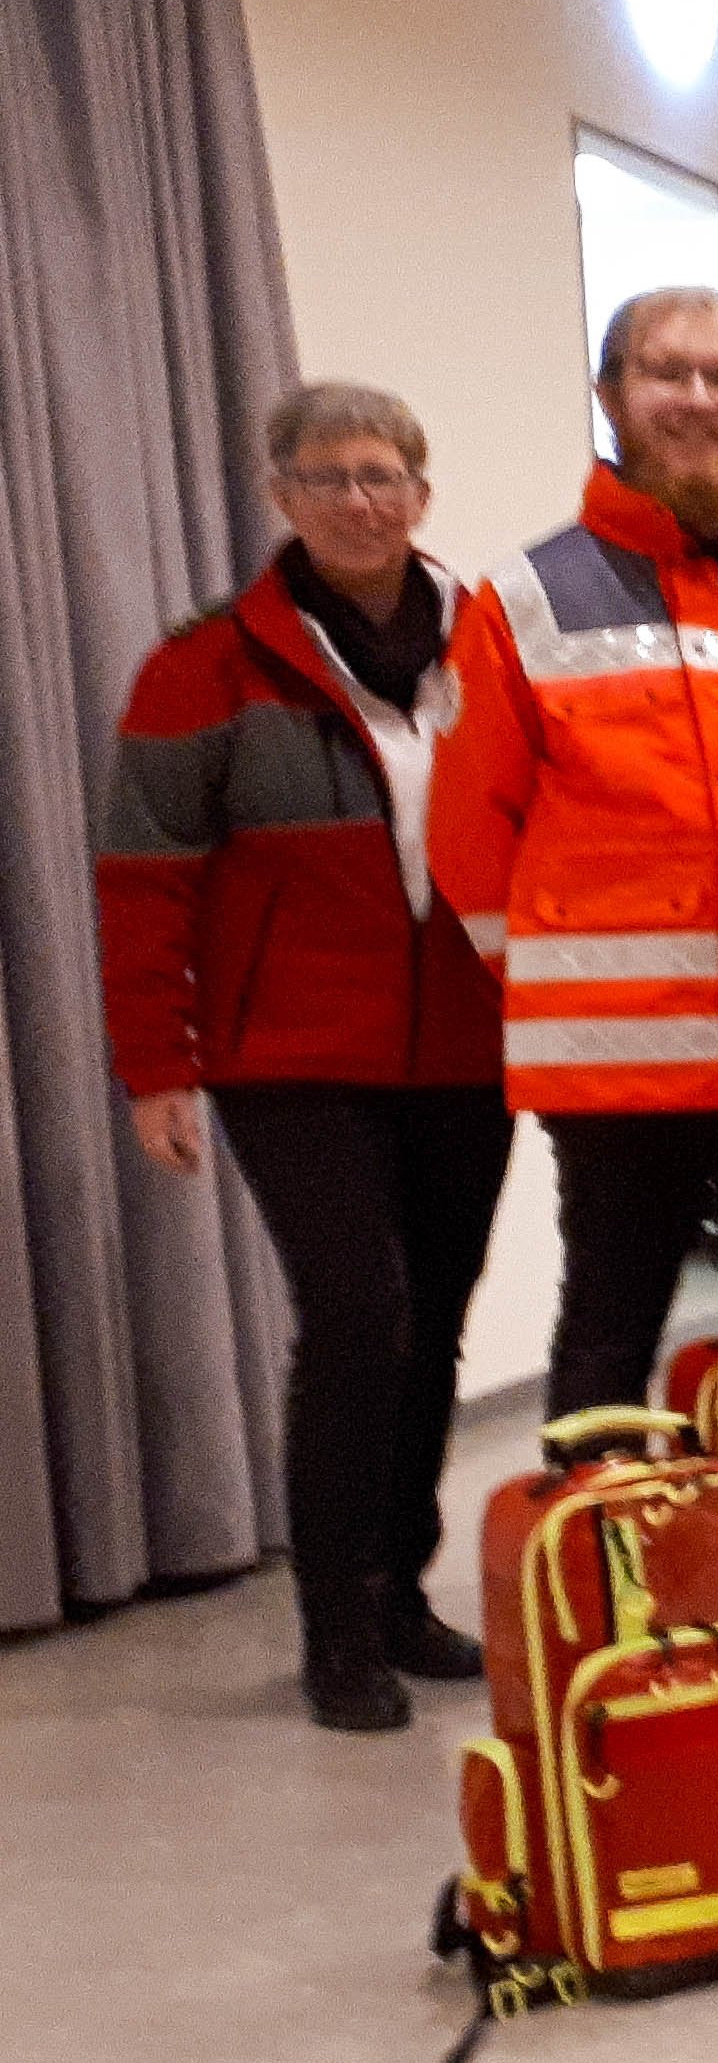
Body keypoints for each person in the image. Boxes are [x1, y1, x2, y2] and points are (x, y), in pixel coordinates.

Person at [97, 382, 511, 1732]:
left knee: (434, 1322)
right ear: (281, 496)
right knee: (357, 1315)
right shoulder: (202, 666)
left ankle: (402, 1590)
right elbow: (145, 877)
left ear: (421, 492)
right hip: (290, 1051)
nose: (360, 498)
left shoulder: (491, 643)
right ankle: (336, 1621)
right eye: (328, 476)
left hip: (468, 1043)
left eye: (384, 472)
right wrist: (155, 1060)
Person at [431, 286, 718, 1416]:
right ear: (611, 396)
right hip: (617, 1064)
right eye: (666, 372)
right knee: (610, 1323)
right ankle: (601, 1572)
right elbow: (465, 839)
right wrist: (561, 974)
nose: (697, 399)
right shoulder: (522, 600)